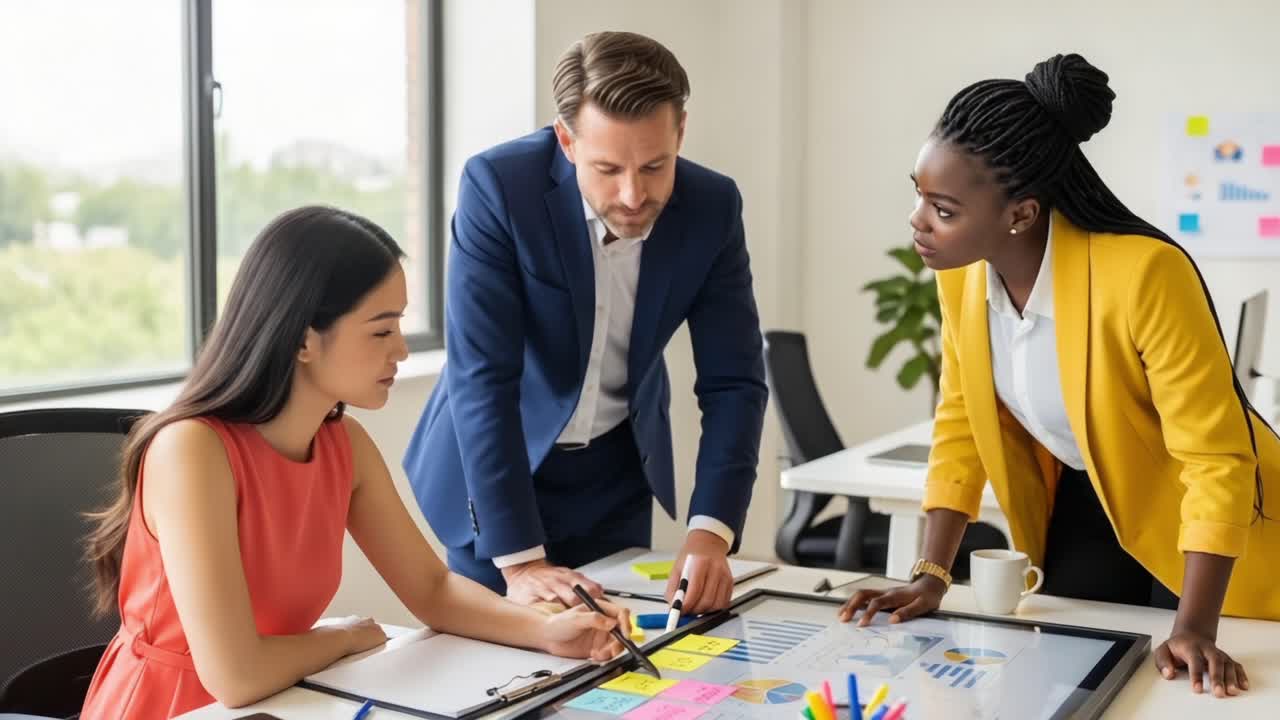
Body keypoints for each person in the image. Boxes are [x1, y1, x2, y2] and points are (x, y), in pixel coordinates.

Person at [837, 54, 1280, 699]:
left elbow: (1215, 459)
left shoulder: (1145, 275)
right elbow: (962, 420)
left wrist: (1195, 626)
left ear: (1020, 213)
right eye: (918, 195)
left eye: (944, 208)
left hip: (1204, 529)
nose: (918, 219)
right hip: (1085, 501)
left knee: (1188, 690)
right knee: (1075, 684)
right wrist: (931, 574)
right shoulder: (963, 279)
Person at [81, 206, 628, 719]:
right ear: (303, 340)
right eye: (381, 329)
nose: (402, 351)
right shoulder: (192, 451)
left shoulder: (346, 445)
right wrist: (341, 638)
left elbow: (432, 590)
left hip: (286, 700)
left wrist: (546, 631)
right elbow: (235, 674)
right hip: (180, 707)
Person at [403, 31, 767, 615]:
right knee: (495, 679)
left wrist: (711, 530)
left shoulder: (712, 206)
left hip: (616, 476)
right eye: (607, 168)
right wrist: (521, 563)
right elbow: (483, 377)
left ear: (681, 132)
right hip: (499, 471)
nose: (632, 194)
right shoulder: (499, 188)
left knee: (611, 676)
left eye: (655, 165)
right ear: (567, 141)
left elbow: (734, 381)